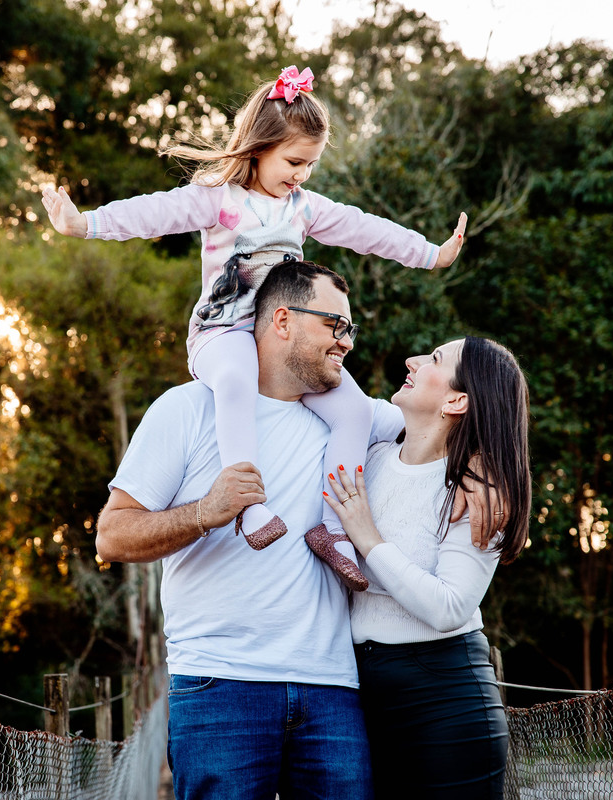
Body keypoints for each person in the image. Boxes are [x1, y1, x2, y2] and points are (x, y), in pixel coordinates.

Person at [96, 260, 505, 800]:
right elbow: (111, 535)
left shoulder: (359, 422)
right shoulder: (187, 410)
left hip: (335, 690)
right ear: (283, 320)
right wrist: (203, 513)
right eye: (335, 326)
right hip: (221, 686)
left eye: (349, 330)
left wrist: (483, 473)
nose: (347, 343)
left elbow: (455, 420)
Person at [45, 64, 467, 568]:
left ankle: (332, 530)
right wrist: (85, 223)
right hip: (223, 332)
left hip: (282, 342)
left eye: (310, 165)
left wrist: (428, 253)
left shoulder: (302, 208)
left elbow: (364, 229)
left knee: (352, 410)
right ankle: (249, 505)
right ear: (259, 146)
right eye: (293, 161)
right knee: (238, 380)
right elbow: (153, 212)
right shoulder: (217, 200)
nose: (301, 175)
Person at [321, 336, 531, 799]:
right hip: (357, 692)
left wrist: (367, 538)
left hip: (444, 705)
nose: (412, 360)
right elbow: (324, 385)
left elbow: (449, 606)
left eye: (434, 359)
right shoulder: (369, 455)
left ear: (457, 399)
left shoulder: (479, 489)